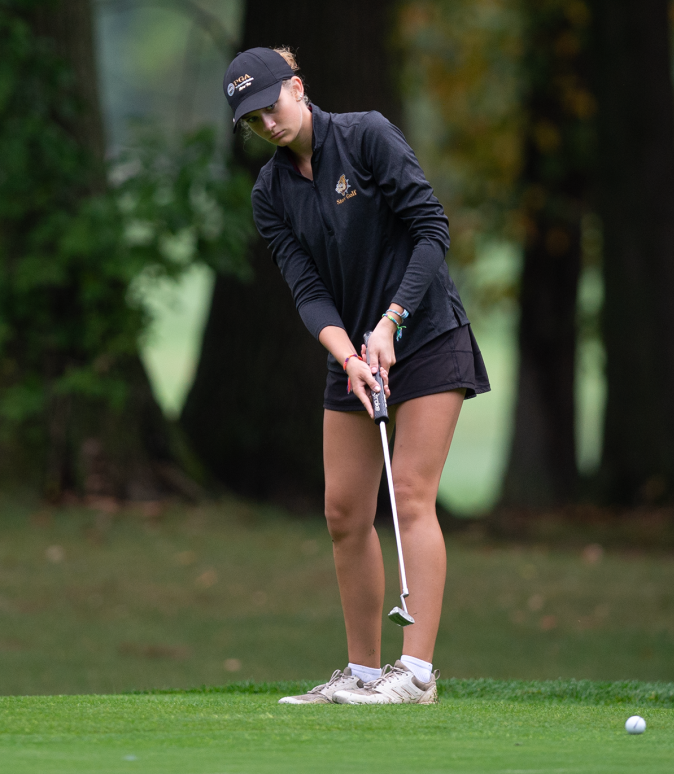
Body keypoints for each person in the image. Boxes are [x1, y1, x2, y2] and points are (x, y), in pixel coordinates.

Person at [222, 47, 489, 705]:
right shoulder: (270, 192)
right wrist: (349, 355)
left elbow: (431, 230)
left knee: (410, 494)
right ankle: (365, 674)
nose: (267, 126)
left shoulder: (366, 135)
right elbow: (307, 288)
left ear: (298, 88)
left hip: (424, 334)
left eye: (270, 107)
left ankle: (416, 673)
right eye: (252, 122)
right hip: (353, 352)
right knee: (343, 510)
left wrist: (390, 323)